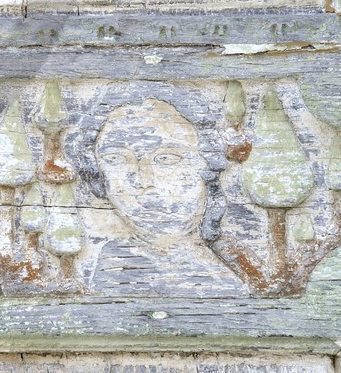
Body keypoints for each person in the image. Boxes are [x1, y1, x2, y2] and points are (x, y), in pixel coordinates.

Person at [81, 98, 247, 297]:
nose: (143, 180)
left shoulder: (234, 264)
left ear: (208, 166)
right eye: (116, 159)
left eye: (166, 159)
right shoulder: (115, 271)